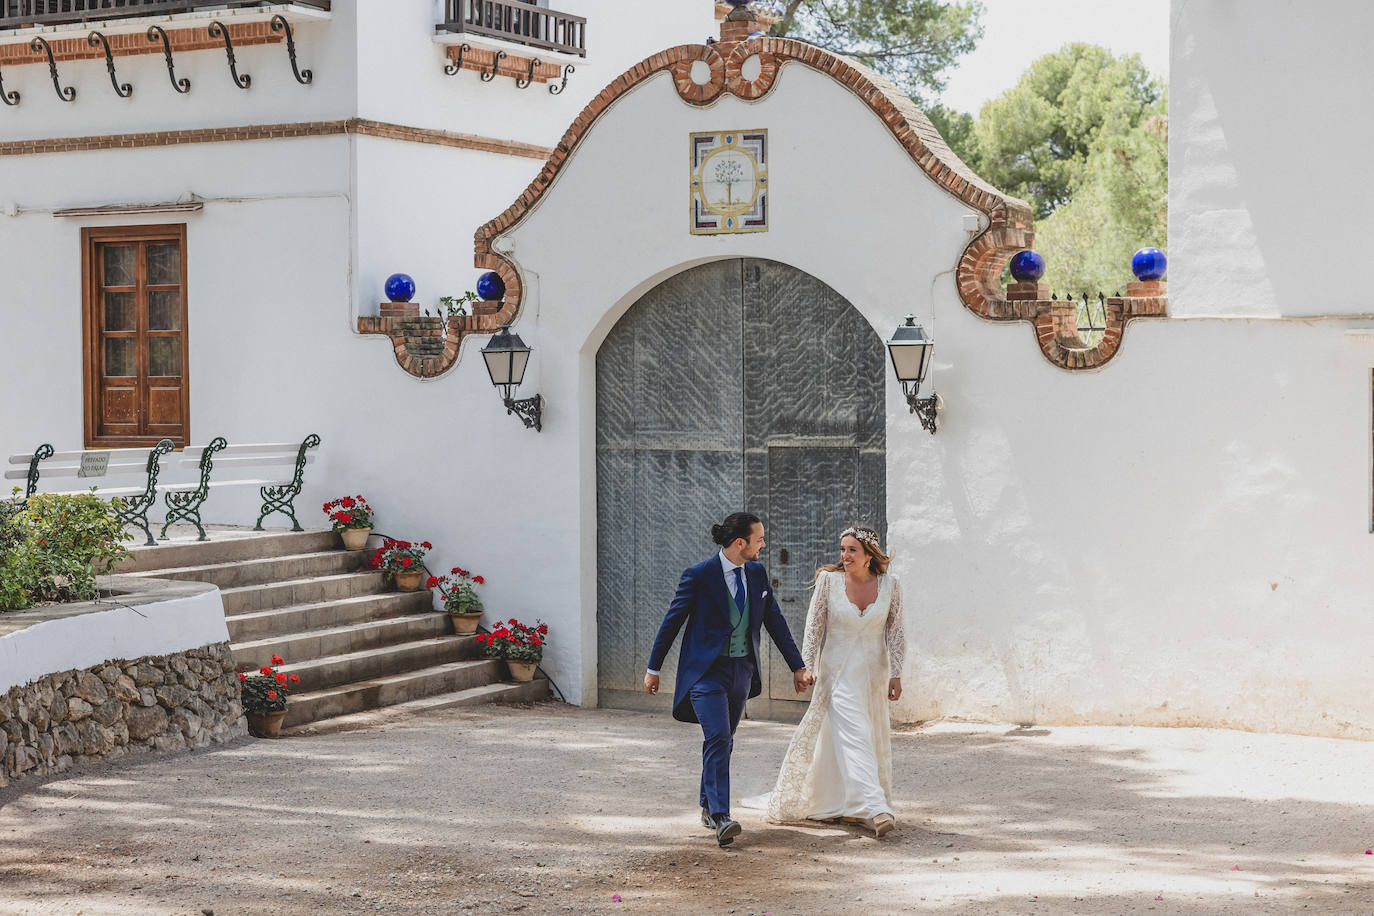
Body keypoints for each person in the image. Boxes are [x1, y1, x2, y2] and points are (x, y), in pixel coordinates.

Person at [645, 512, 813, 848]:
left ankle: (707, 805)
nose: (763, 544)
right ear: (741, 543)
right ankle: (721, 817)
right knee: (719, 737)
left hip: (741, 672)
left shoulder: (756, 573)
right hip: (706, 674)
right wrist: (654, 668)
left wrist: (797, 665)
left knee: (724, 740)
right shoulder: (699, 576)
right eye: (759, 539)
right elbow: (672, 622)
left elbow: (775, 621)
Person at [759, 525, 906, 837]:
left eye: (852, 550)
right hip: (836, 674)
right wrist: (806, 666)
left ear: (869, 555)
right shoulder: (829, 581)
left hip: (872, 675)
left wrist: (896, 673)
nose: (844, 556)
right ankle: (876, 807)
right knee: (856, 733)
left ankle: (844, 805)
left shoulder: (891, 585)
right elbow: (814, 627)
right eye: (843, 549)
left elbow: (896, 632)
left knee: (859, 735)